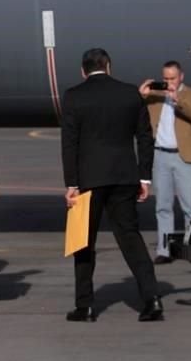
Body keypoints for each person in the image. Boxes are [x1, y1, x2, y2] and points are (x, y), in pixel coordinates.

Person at [61, 48, 163, 322]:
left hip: (88, 180)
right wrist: (144, 177)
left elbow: (69, 143)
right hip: (123, 177)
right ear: (109, 66)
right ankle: (152, 299)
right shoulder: (130, 94)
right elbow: (145, 137)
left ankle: (85, 306)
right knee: (131, 238)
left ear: (83, 71)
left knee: (83, 243)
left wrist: (71, 183)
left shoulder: (73, 96)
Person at [139, 61, 191, 264]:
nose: (168, 82)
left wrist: (177, 99)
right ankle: (165, 250)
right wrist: (141, 96)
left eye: (172, 78)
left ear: (181, 76)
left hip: (184, 156)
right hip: (160, 156)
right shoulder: (155, 96)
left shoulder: (190, 94)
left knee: (189, 206)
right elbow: (135, 114)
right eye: (165, 78)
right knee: (163, 205)